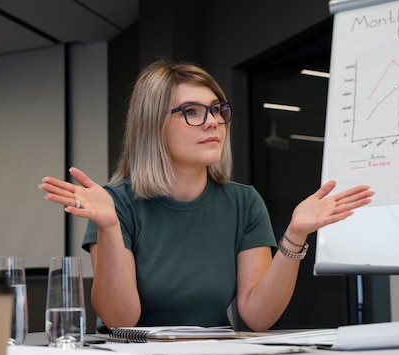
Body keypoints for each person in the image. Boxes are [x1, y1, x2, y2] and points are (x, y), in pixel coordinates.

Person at [39, 60, 374, 332]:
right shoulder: (115, 204)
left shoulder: (244, 202)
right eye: (192, 112)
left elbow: (257, 317)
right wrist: (110, 228)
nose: (213, 122)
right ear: (153, 125)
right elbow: (120, 320)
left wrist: (295, 235)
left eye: (216, 110)